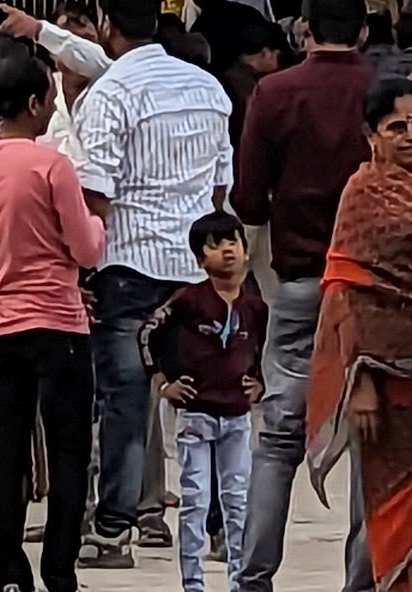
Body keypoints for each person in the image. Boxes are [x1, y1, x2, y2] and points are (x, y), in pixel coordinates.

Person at [81, 0, 239, 572]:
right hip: (195, 261)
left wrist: (84, 264)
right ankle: (222, 527)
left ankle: (114, 529)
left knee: (126, 398)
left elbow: (96, 190)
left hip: (129, 260)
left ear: (107, 26)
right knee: (211, 395)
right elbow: (222, 184)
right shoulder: (209, 88)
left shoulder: (111, 93)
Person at [297, 74, 412, 592]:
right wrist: (361, 384)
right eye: (397, 127)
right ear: (372, 135)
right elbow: (345, 290)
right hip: (389, 389)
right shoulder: (363, 193)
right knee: (394, 511)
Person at [236, 0, 375, 592]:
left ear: (303, 30)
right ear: (364, 33)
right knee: (375, 439)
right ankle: (362, 580)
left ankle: (254, 575)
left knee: (277, 439)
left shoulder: (274, 92)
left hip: (297, 279)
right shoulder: (384, 93)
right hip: (371, 287)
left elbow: (247, 199)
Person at [0, 53, 107, 592]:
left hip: (1, 324)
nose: (53, 107)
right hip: (59, 321)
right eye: (50, 97)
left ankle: (11, 570)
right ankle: (59, 569)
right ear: (33, 103)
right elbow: (85, 248)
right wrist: (98, 223)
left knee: (7, 449)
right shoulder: (52, 165)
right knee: (69, 450)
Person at [152, 211, 264, 592]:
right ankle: (193, 583)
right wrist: (162, 381)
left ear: (247, 251)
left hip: (237, 414)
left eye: (233, 242)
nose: (226, 251)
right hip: (196, 414)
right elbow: (148, 332)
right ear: (200, 259)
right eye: (214, 246)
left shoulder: (255, 306)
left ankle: (238, 580)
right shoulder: (189, 300)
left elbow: (265, 347)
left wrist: (261, 382)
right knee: (195, 500)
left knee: (238, 501)